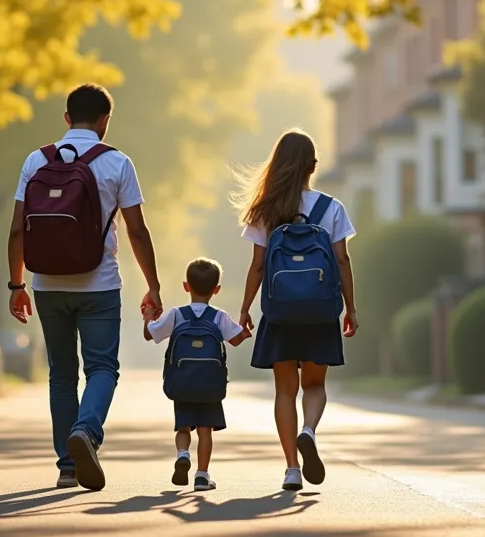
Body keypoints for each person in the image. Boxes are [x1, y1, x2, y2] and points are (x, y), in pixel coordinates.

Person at [7, 83, 164, 492]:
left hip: (46, 284)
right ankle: (87, 432)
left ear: (66, 118)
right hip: (99, 285)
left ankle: (66, 466)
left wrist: (16, 284)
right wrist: (154, 286)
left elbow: (15, 232)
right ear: (104, 121)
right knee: (102, 369)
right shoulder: (117, 163)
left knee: (61, 374)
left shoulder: (34, 161)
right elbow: (138, 232)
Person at [234, 129, 358, 492]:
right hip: (320, 311)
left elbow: (258, 266)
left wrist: (244, 310)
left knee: (285, 391)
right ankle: (309, 430)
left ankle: (291, 468)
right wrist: (350, 307)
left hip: (280, 312)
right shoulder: (331, 208)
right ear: (312, 166)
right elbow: (342, 259)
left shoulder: (265, 211)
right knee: (315, 385)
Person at [144, 258, 250, 491]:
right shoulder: (219, 316)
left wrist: (149, 317)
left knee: (183, 428)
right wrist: (245, 330)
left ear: (186, 286)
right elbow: (236, 339)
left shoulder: (176, 314)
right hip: (210, 386)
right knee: (205, 431)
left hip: (182, 383)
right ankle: (202, 475)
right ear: (217, 290)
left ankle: (183, 453)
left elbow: (150, 335)